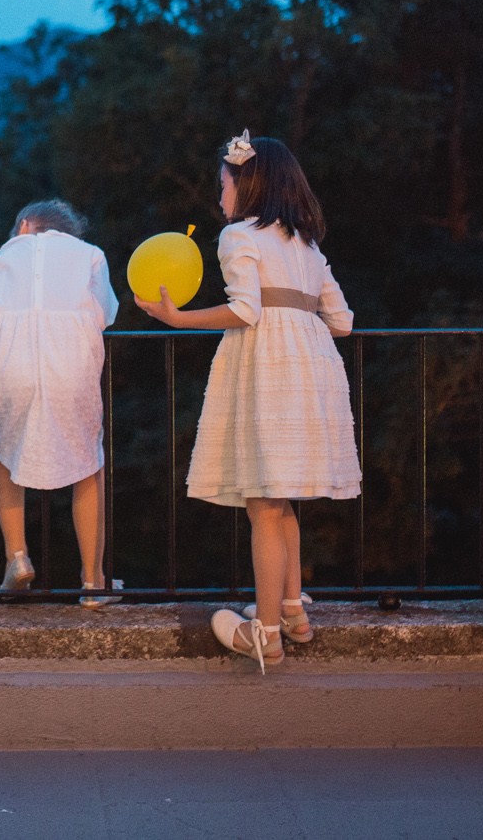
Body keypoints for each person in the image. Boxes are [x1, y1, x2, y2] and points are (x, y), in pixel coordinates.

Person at [136, 131, 358, 672]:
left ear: (248, 184)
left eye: (224, 185)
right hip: (313, 368)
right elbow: (343, 322)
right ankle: (292, 611)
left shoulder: (239, 235)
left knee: (262, 502)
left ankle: (266, 633)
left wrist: (178, 319)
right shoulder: (308, 245)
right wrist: (298, 316)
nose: (220, 197)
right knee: (282, 499)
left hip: (269, 368)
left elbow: (246, 310)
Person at [0, 198, 121, 605]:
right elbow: (105, 314)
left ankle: (16, 556)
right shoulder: (90, 256)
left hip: (8, 369)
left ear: (24, 226)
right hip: (69, 368)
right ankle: (93, 581)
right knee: (89, 463)